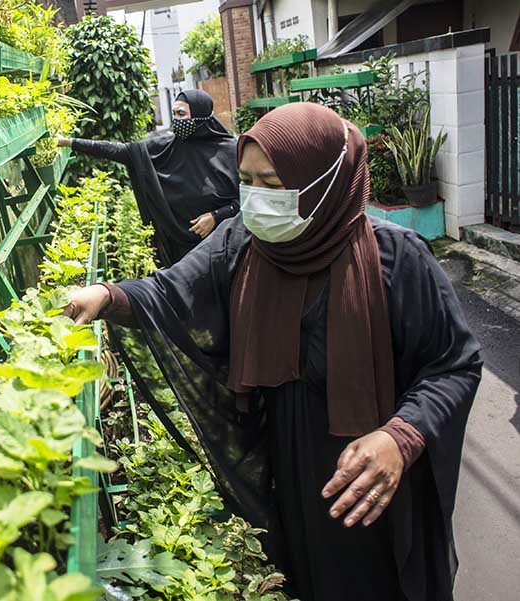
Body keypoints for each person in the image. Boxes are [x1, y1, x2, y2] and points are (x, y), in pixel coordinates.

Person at [64, 103, 482, 601]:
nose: (256, 198)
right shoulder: (242, 244)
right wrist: (107, 296)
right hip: (289, 470)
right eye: (246, 181)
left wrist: (401, 437)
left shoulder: (397, 259)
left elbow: (453, 365)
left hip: (375, 483)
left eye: (273, 184)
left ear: (324, 182)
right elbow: (173, 291)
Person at [57, 89, 239, 266]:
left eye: (181, 114)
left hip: (222, 249)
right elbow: (122, 151)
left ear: (200, 114)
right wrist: (70, 142)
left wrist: (216, 217)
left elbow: (246, 199)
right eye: (174, 114)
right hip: (180, 255)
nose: (176, 120)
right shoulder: (166, 147)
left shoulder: (230, 151)